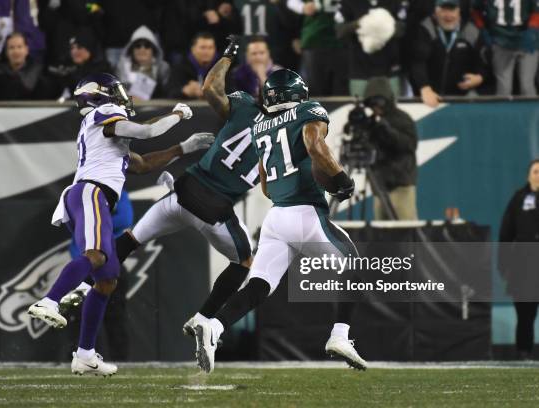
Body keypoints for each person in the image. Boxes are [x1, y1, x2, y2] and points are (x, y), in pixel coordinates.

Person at [192, 68, 367, 374]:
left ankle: (214, 326)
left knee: (259, 285)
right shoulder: (308, 111)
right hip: (305, 214)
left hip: (276, 216)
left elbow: (265, 184)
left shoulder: (261, 124)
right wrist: (341, 179)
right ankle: (340, 336)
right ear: (299, 94)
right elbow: (315, 146)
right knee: (354, 264)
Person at [27, 72, 194, 376]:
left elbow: (142, 163)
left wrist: (181, 149)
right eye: (114, 91)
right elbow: (147, 131)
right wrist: (179, 114)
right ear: (98, 95)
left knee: (107, 280)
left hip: (94, 195)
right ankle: (49, 301)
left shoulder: (106, 133)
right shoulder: (104, 113)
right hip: (90, 191)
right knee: (95, 256)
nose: (121, 97)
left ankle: (85, 354)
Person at [114, 36, 259, 339]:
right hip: (214, 209)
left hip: (182, 193)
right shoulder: (285, 133)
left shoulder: (244, 106)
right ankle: (203, 318)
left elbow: (209, 88)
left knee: (129, 240)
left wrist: (228, 55)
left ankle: (80, 286)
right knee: (245, 261)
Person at [360, 77, 418, 220]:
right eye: (372, 104)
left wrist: (387, 130)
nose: (376, 107)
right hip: (379, 188)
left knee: (407, 235)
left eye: (379, 102)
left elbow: (410, 145)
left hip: (400, 187)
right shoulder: (372, 123)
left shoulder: (402, 119)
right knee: (381, 236)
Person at [499, 159, 539, 359]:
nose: (538, 175)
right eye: (535, 171)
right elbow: (506, 234)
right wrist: (503, 265)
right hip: (524, 265)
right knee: (525, 313)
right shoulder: (518, 199)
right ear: (528, 175)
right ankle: (524, 353)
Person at [412, 0, 486, 107]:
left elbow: (484, 62)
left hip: (463, 99)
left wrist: (480, 77)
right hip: (432, 98)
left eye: (452, 10)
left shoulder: (471, 31)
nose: (448, 15)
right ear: (435, 11)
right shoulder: (426, 28)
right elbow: (418, 61)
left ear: (459, 11)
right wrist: (424, 87)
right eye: (443, 10)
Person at [336, 0, 408, 97]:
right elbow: (340, 31)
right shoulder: (348, 2)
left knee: (393, 107)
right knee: (360, 108)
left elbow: (402, 29)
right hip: (360, 68)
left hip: (389, 68)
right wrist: (362, 23)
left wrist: (382, 24)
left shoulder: (395, 2)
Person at [471, 0, 539, 96]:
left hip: (526, 41)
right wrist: (483, 29)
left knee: (527, 85)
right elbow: (475, 10)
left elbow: (537, 11)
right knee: (503, 88)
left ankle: (532, 111)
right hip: (501, 41)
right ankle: (503, 111)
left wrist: (532, 29)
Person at [287, 0, 349, 96]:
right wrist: (303, 7)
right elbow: (292, 2)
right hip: (315, 39)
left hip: (342, 39)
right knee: (316, 89)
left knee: (340, 90)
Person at [115, 25, 170, 101]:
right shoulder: (122, 67)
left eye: (147, 45)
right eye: (137, 45)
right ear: (132, 49)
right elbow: (117, 93)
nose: (142, 49)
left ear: (153, 49)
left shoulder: (163, 68)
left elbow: (167, 95)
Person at [0, 32, 46, 100]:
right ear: (6, 52)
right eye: (11, 48)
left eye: (19, 47)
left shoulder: (37, 70)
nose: (16, 51)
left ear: (26, 50)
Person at [168, 32, 219, 99]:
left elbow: (231, 92)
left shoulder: (221, 68)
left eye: (210, 48)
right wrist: (184, 91)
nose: (207, 51)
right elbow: (169, 92)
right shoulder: (180, 67)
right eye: (202, 48)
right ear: (193, 49)